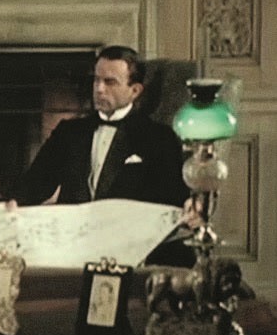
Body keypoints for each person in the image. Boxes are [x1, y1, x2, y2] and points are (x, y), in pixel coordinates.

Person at [12, 45, 200, 267]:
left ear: (135, 90)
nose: (99, 89)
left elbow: (173, 198)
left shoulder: (158, 138)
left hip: (128, 249)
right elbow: (35, 184)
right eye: (96, 80)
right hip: (72, 248)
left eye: (110, 82)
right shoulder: (69, 132)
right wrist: (11, 206)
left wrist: (190, 208)